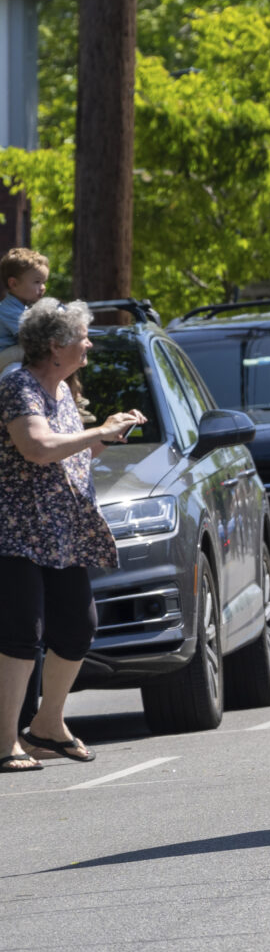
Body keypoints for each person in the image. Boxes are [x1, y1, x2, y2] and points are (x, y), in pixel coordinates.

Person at [0, 300, 143, 771]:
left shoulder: (61, 391)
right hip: (16, 532)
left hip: (61, 532)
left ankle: (46, 726)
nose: (89, 344)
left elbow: (69, 454)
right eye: (83, 336)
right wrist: (95, 430)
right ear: (56, 344)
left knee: (78, 628)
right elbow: (37, 448)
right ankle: (5, 743)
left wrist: (105, 436)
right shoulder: (18, 386)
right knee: (22, 633)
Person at [0, 248, 48, 352]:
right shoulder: (8, 310)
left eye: (44, 282)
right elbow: (31, 337)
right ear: (14, 284)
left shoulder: (21, 307)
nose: (43, 287)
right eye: (37, 282)